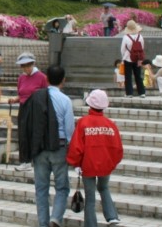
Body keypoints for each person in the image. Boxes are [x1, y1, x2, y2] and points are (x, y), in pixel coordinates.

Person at [17, 65, 74, 227]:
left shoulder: (36, 97)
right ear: (64, 80)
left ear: (46, 79)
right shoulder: (65, 100)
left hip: (39, 148)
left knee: (41, 188)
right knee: (62, 187)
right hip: (59, 147)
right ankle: (55, 218)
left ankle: (43, 223)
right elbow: (70, 129)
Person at [67, 90, 123, 227]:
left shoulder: (83, 123)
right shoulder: (110, 124)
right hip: (105, 165)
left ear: (89, 104)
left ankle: (91, 224)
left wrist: (75, 164)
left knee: (90, 197)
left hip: (87, 165)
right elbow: (118, 149)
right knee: (104, 187)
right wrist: (111, 163)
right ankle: (112, 216)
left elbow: (76, 147)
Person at [8, 52, 48, 172]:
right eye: (23, 66)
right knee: (23, 135)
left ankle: (36, 159)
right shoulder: (21, 78)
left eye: (27, 65)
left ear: (32, 64)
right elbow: (22, 94)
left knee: (34, 135)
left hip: (36, 110)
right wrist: (14, 99)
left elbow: (45, 95)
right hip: (24, 108)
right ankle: (24, 161)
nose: (25, 68)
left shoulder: (42, 77)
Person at [120, 21, 146, 98]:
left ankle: (129, 93)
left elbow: (122, 49)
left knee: (128, 76)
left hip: (128, 59)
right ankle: (142, 92)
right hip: (138, 59)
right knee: (138, 75)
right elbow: (142, 48)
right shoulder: (140, 36)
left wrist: (124, 56)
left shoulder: (126, 37)